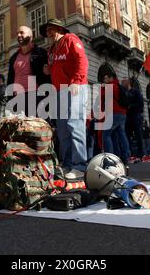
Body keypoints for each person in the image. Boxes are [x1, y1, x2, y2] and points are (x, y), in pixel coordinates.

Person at [40, 19, 88, 180]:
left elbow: (82, 60)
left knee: (75, 124)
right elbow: (56, 67)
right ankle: (67, 165)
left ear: (59, 29)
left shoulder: (71, 39)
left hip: (74, 87)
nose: (48, 34)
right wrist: (48, 70)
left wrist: (76, 81)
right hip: (59, 91)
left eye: (51, 30)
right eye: (47, 31)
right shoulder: (51, 49)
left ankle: (80, 165)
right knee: (62, 129)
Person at [7, 26, 50, 117]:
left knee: (37, 127)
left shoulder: (41, 53)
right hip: (17, 98)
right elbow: (10, 80)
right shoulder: (13, 57)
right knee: (20, 129)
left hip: (36, 96)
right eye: (17, 33)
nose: (18, 35)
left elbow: (48, 75)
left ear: (31, 36)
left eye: (22, 32)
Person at [101, 73, 131, 167]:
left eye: (105, 78)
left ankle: (109, 159)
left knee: (106, 135)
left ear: (111, 78)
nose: (104, 80)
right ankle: (125, 157)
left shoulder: (111, 86)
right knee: (121, 135)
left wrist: (102, 87)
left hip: (114, 113)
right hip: (122, 114)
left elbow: (102, 96)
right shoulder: (119, 86)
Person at [124, 78, 144, 160]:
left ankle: (140, 154)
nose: (122, 82)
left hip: (135, 116)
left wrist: (130, 106)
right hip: (127, 117)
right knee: (127, 136)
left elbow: (140, 103)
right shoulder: (124, 92)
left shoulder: (135, 91)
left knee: (138, 135)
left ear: (128, 82)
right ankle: (130, 153)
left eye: (124, 81)